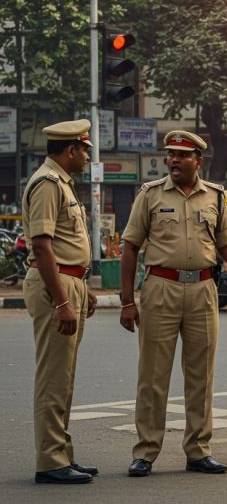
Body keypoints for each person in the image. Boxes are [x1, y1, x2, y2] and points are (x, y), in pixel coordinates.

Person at [118, 130, 227, 477]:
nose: (173, 160)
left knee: (201, 376)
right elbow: (130, 248)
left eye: (182, 156)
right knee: (153, 376)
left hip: (202, 289)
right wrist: (128, 301)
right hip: (160, 288)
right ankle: (145, 451)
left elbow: (226, 247)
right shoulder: (150, 195)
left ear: (197, 161)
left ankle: (198, 450)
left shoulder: (215, 197)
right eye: (170, 155)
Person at [22, 120, 98, 484]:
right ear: (70, 150)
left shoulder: (62, 183)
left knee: (63, 377)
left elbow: (66, 244)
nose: (86, 156)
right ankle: (50, 461)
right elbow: (42, 244)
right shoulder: (48, 184)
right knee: (53, 377)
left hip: (70, 280)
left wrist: (83, 287)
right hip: (56, 284)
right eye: (84, 150)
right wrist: (62, 301)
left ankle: (61, 454)